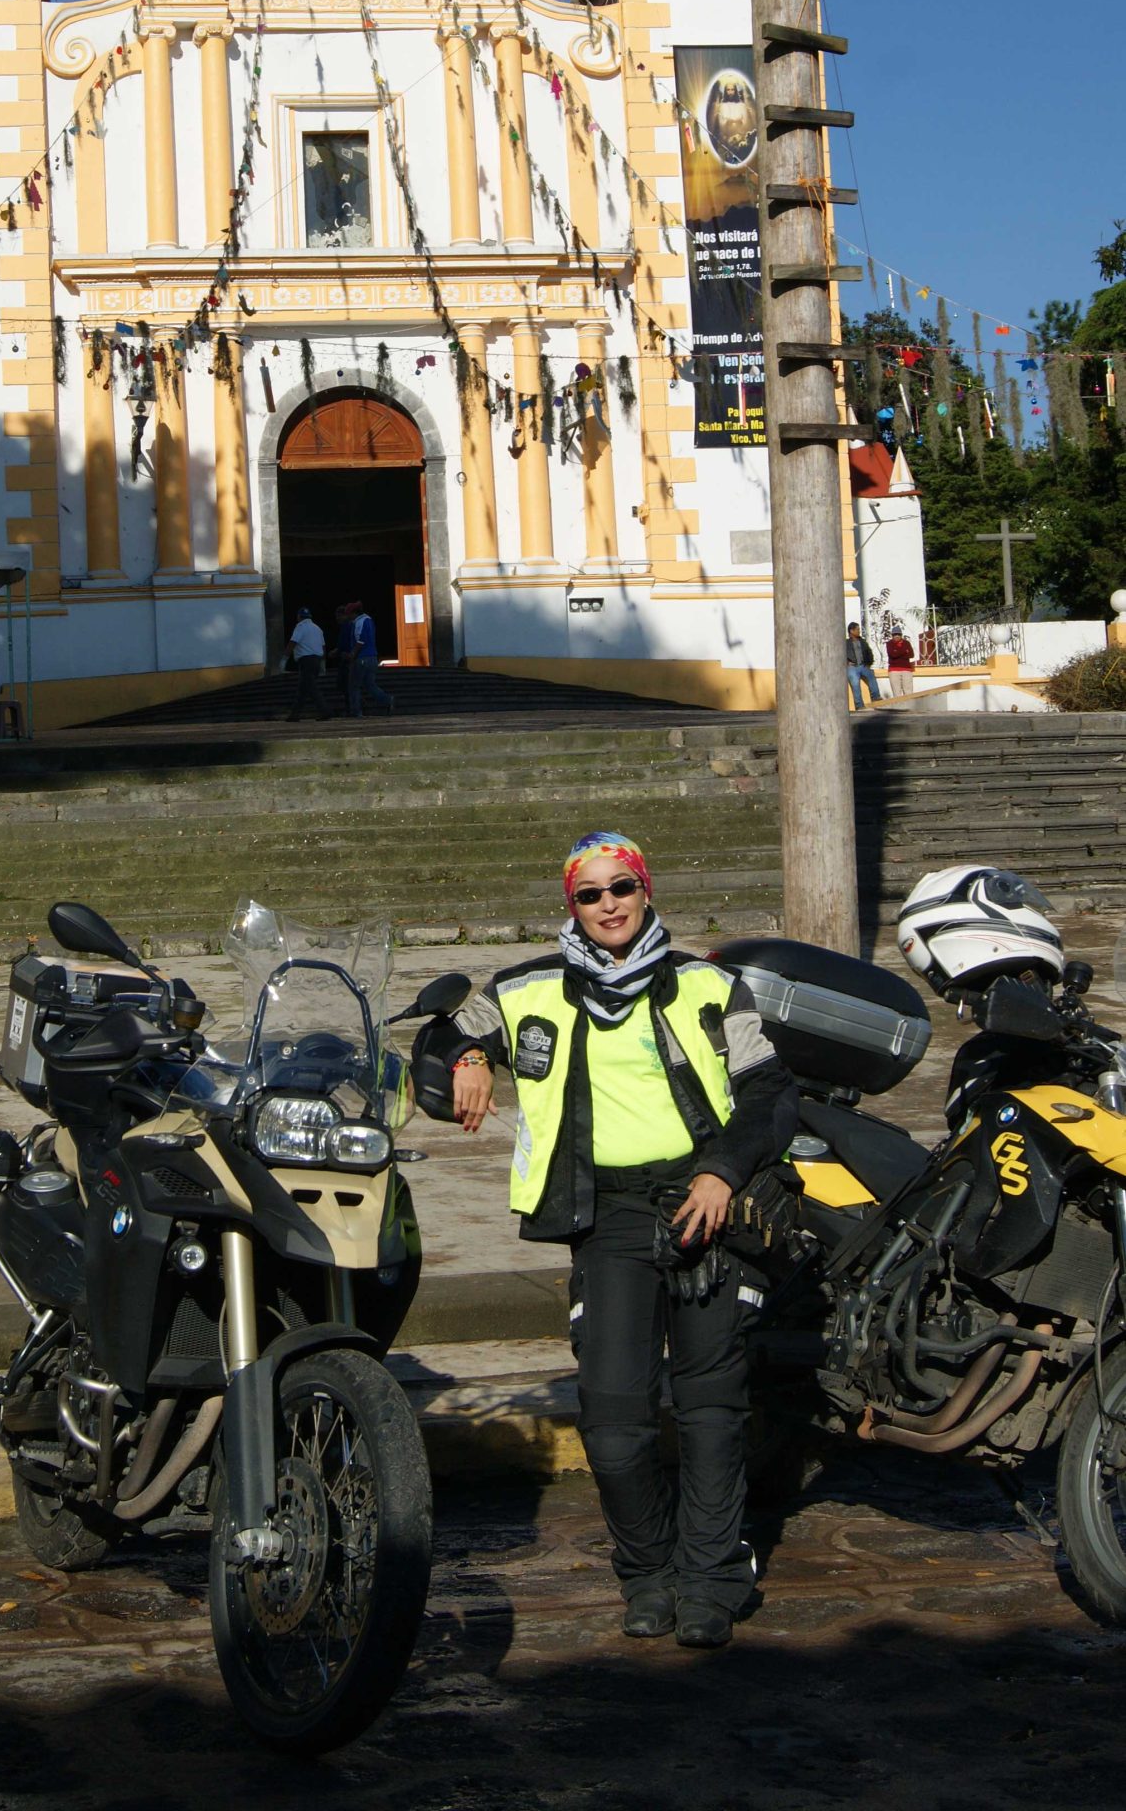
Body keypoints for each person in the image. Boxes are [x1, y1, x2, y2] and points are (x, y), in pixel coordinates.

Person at [440, 830, 797, 1650]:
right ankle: (647, 1573)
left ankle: (712, 1579)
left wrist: (722, 1174)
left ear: (646, 891)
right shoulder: (526, 989)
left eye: (621, 888)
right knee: (614, 1418)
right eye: (589, 894)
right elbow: (439, 1037)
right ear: (570, 906)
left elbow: (771, 1093)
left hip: (706, 1205)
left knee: (710, 1409)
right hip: (606, 1217)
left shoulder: (711, 984)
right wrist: (466, 1054)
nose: (608, 906)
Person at [346, 598, 393, 717]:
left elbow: (360, 641)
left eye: (349, 614)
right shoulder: (369, 620)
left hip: (362, 658)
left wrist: (352, 655)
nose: (348, 617)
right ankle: (387, 700)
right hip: (372, 657)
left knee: (354, 686)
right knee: (370, 684)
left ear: (354, 613)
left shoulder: (360, 622)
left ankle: (356, 712)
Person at [286, 606, 330, 721]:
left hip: (306, 661)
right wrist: (323, 663)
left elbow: (293, 642)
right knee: (303, 689)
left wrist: (284, 658)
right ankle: (294, 715)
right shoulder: (317, 628)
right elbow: (323, 647)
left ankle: (325, 711)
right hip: (317, 660)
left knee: (311, 688)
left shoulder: (300, 627)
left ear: (299, 617)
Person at [845, 622, 881, 711]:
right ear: (851, 631)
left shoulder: (862, 641)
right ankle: (859, 705)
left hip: (863, 665)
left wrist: (869, 663)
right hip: (852, 667)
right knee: (855, 684)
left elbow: (869, 652)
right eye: (857, 629)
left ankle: (876, 698)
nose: (859, 631)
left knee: (871, 676)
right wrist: (846, 663)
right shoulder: (846, 643)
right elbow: (841, 654)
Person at [884, 625, 915, 700]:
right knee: (896, 692)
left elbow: (911, 654)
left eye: (898, 634)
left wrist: (897, 651)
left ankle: (909, 707)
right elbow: (892, 654)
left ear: (901, 635)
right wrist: (904, 651)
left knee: (908, 692)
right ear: (892, 635)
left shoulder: (906, 643)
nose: (897, 636)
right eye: (895, 634)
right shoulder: (889, 644)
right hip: (894, 670)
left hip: (906, 669)